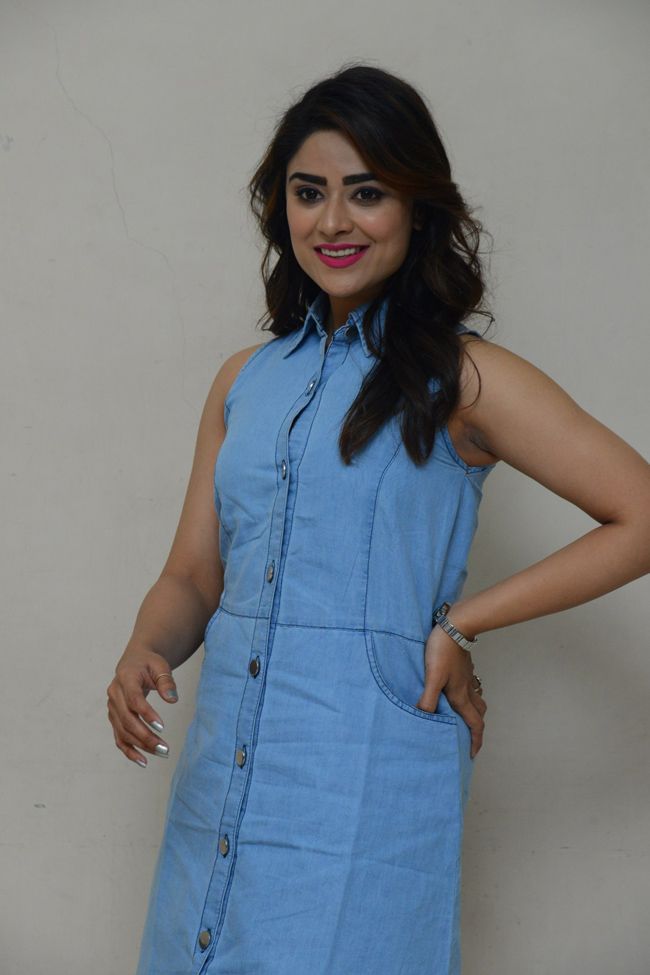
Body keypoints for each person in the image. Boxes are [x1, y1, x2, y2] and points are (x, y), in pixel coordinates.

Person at [106, 63, 650, 975]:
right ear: (280, 207)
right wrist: (143, 646)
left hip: (364, 785)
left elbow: (639, 511)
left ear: (416, 207)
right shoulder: (245, 381)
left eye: (366, 193)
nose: (333, 221)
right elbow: (195, 575)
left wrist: (462, 622)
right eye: (307, 192)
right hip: (221, 786)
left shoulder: (463, 378)